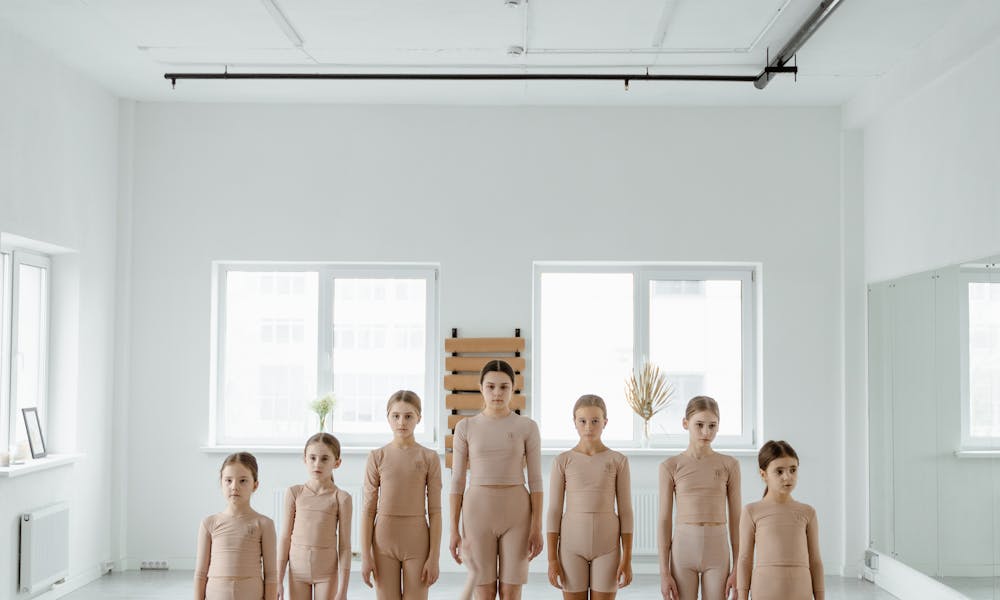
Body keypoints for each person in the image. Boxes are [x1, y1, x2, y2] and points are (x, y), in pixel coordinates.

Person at [449, 359, 543, 600]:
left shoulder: (527, 427)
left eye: (504, 387)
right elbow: (457, 481)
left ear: (513, 388)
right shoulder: (465, 427)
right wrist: (453, 530)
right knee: (484, 591)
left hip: (517, 515)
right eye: (491, 386)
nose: (497, 393)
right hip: (477, 513)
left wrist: (537, 526)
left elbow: (535, 481)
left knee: (511, 592)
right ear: (481, 387)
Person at [546, 394, 634, 599]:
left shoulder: (618, 461)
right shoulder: (562, 461)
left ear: (605, 422)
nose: (589, 427)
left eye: (595, 421)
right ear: (574, 422)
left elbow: (626, 511)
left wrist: (627, 558)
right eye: (582, 421)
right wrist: (552, 560)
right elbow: (554, 511)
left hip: (608, 549)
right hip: (570, 548)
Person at [360, 390, 443, 600]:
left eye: (408, 416)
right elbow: (368, 511)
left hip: (417, 541)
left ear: (419, 418)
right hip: (383, 541)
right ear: (388, 417)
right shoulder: (377, 457)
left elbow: (435, 512)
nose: (401, 422)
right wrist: (365, 555)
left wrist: (434, 557)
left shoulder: (429, 458)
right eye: (395, 416)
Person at [659, 396, 741, 600]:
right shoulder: (671, 466)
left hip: (718, 549)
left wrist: (739, 566)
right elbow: (664, 520)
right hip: (683, 550)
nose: (707, 432)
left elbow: (737, 518)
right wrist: (664, 572)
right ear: (685, 424)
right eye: (700, 425)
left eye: (712, 425)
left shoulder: (729, 465)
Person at [736, 440, 824, 600]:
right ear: (763, 475)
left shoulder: (807, 512)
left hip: (801, 592)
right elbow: (744, 560)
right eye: (779, 471)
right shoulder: (751, 511)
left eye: (793, 470)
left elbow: (815, 561)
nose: (787, 477)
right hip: (764, 592)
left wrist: (820, 597)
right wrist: (742, 596)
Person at [277, 433, 352, 600]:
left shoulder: (342, 498)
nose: (317, 464)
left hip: (326, 574)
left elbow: (345, 546)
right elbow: (285, 538)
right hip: (297, 572)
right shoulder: (294, 493)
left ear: (337, 463)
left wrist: (343, 590)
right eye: (312, 458)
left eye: (325, 459)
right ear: (305, 459)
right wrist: (278, 580)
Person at [194, 452, 277, 600]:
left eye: (243, 481)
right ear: (221, 483)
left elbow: (271, 575)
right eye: (228, 480)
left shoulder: (264, 524)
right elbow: (200, 574)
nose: (234, 487)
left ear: (255, 485)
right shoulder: (209, 523)